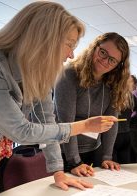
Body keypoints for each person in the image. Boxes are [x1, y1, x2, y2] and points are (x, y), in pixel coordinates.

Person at [0, 2, 118, 196]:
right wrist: (84, 126)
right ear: (44, 38)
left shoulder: (37, 73)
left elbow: (47, 122)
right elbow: (21, 131)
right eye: (69, 44)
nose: (71, 54)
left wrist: (58, 172)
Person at [54, 32, 130, 176]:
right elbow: (66, 123)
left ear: (118, 65)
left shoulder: (113, 83)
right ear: (94, 47)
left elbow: (111, 123)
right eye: (103, 52)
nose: (105, 61)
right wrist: (75, 162)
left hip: (94, 149)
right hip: (65, 152)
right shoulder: (69, 74)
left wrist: (107, 157)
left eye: (112, 60)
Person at [113, 76, 137, 164]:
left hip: (112, 134)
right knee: (125, 164)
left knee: (112, 164)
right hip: (126, 133)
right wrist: (129, 121)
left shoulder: (111, 94)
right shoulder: (129, 95)